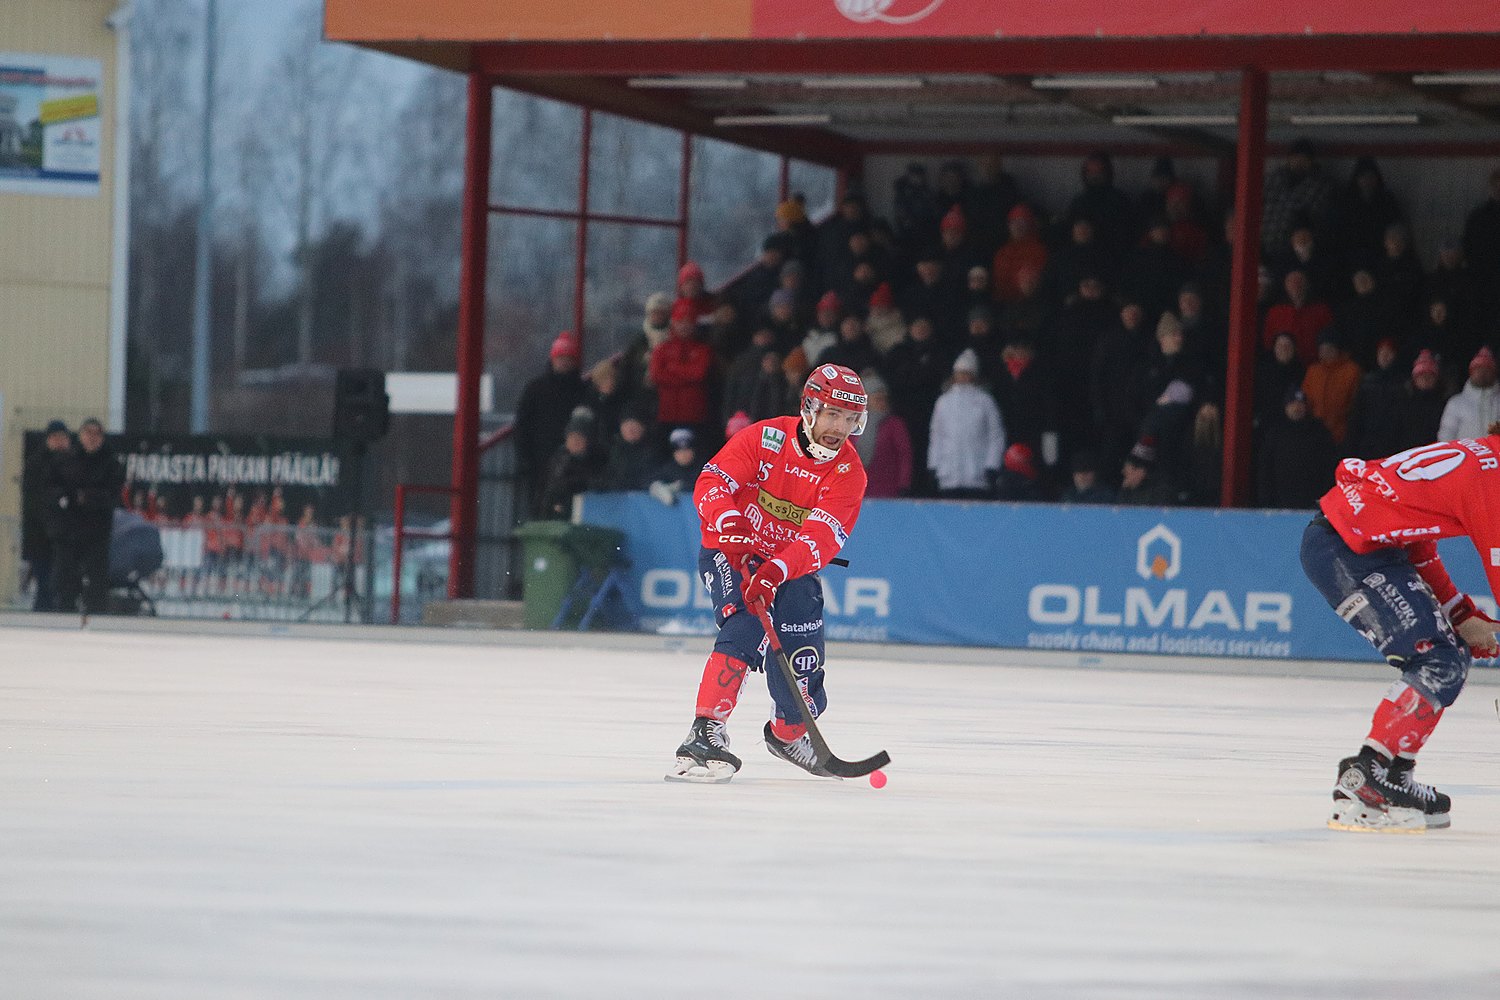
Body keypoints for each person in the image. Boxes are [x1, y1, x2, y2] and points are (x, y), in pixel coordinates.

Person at [666, 365, 870, 783]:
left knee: (801, 642)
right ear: (810, 409)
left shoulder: (849, 474)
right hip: (732, 549)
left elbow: (819, 540)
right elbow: (711, 482)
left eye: (850, 419)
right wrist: (728, 521)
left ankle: (789, 733)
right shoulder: (766, 437)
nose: (840, 427)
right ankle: (705, 728)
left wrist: (776, 570)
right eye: (832, 414)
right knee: (745, 620)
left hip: (787, 564)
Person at [1303, 429, 1500, 831]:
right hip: (1349, 548)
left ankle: (1392, 772)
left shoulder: (1475, 455)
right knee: (1437, 659)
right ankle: (1367, 776)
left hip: (1349, 541)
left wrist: (1459, 614)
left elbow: (1420, 547)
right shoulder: (1493, 479)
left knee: (1449, 653)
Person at [46, 418, 124, 614]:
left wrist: (86, 498)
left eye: (96, 434)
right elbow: (52, 490)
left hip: (97, 533)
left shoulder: (111, 463)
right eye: (87, 433)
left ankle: (96, 622)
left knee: (96, 581)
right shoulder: (65, 460)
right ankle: (65, 619)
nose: (91, 438)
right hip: (69, 532)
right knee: (66, 581)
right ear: (80, 436)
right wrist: (68, 499)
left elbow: (112, 496)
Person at [514, 331, 587, 516]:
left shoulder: (583, 391)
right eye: (560, 357)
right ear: (553, 359)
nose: (564, 361)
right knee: (540, 511)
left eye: (568, 357)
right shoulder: (535, 389)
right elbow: (522, 427)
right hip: (540, 464)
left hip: (571, 466)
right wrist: (525, 459)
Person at [928, 349, 1005, 500]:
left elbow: (995, 435)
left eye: (966, 373)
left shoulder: (985, 401)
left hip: (976, 472)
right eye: (959, 373)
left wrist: (992, 464)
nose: (962, 377)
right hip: (949, 474)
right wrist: (933, 465)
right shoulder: (944, 402)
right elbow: (937, 435)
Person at [23, 420, 71, 610]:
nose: (60, 442)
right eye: (55, 438)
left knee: (61, 585)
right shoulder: (36, 464)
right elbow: (35, 501)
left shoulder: (73, 462)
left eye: (63, 438)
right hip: (40, 536)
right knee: (45, 584)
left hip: (65, 537)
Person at [854, 373, 912, 499]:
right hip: (860, 490)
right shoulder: (854, 424)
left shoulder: (894, 424)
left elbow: (904, 455)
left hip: (888, 489)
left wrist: (904, 484)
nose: (882, 403)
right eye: (877, 399)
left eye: (884, 399)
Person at [1438, 347, 1500, 442]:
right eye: (1478, 369)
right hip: (1468, 456)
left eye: (1487, 369)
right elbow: (1446, 434)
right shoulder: (1456, 403)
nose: (1482, 373)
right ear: (1471, 372)